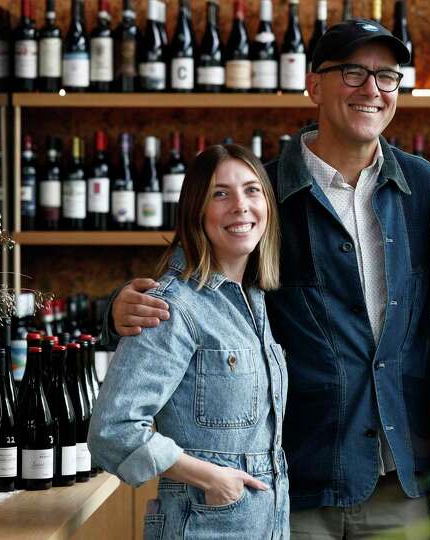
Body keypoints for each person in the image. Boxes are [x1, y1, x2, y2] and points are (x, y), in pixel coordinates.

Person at [106, 20, 430, 538]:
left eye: (387, 76)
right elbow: (191, 278)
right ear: (313, 85)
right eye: (353, 72)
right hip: (295, 482)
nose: (371, 89)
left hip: (399, 480)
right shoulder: (261, 193)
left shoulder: (425, 186)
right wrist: (121, 303)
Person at [88, 144, 289, 539]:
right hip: (201, 526)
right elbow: (113, 429)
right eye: (220, 193)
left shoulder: (253, 301)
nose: (240, 206)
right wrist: (212, 478)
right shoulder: (173, 306)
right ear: (196, 210)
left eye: (252, 190)